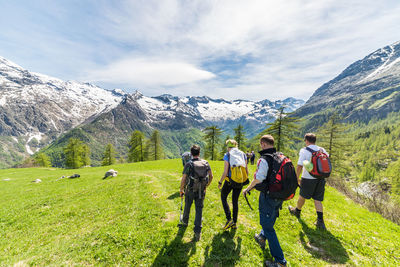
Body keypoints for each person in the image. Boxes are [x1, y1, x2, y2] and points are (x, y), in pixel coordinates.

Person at [242, 135, 287, 267]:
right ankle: (262, 237)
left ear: (263, 144)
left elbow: (258, 179)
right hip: (280, 195)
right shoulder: (280, 156)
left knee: (267, 226)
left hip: (268, 195)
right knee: (271, 217)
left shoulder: (264, 159)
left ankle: (280, 261)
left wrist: (248, 188)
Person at [288, 133, 328, 230]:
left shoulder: (304, 150)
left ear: (306, 141)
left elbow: (299, 166)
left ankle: (297, 211)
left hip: (308, 178)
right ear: (314, 140)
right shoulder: (322, 149)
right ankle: (320, 221)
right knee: (318, 200)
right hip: (321, 178)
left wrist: (296, 178)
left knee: (302, 196)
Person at [179, 145, 213, 241]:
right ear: (199, 153)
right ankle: (197, 232)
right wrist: (206, 185)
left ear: (191, 153)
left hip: (190, 189)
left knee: (187, 206)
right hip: (201, 190)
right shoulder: (205, 163)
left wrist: (181, 189)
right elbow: (211, 176)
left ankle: (185, 222)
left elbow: (184, 178)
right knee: (199, 210)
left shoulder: (189, 164)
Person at [218, 139, 248, 230]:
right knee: (235, 201)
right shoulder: (243, 154)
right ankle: (234, 223)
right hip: (240, 181)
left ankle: (229, 219)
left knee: (223, 197)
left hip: (230, 181)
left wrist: (220, 182)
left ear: (228, 147)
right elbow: (246, 170)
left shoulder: (227, 155)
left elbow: (225, 172)